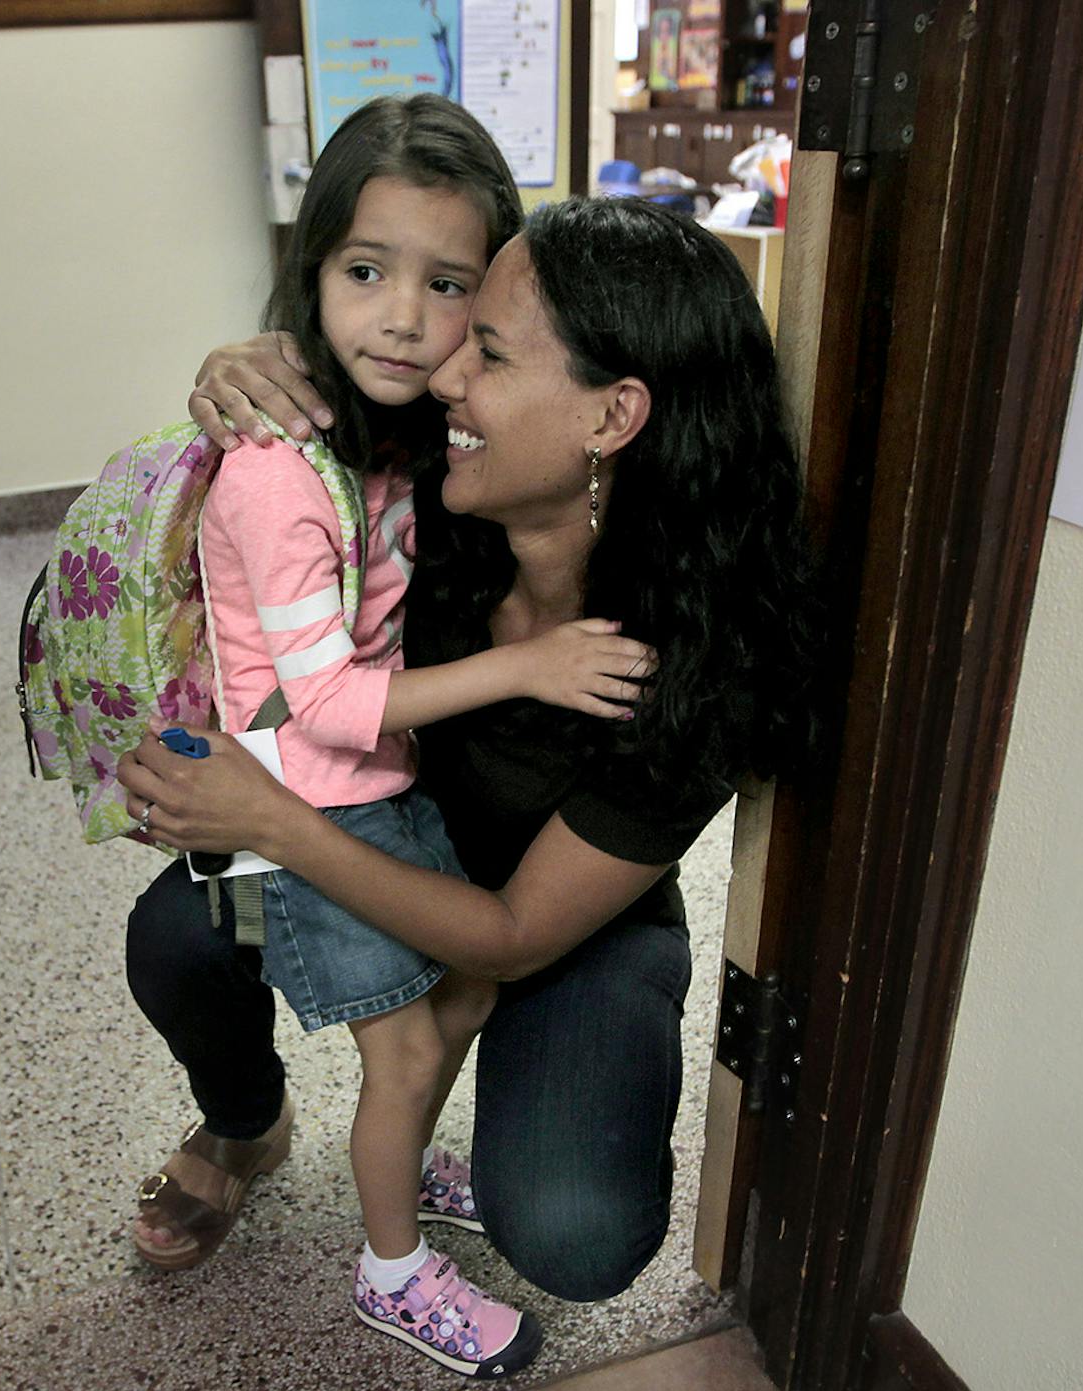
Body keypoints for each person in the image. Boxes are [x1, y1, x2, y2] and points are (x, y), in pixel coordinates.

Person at [121, 194, 821, 1317]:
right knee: (176, 934)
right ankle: (248, 1120)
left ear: (613, 415)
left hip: (560, 918)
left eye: (487, 352)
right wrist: (243, 370)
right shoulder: (431, 499)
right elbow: (309, 418)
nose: (447, 374)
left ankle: (498, 1125)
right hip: (387, 835)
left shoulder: (705, 660)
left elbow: (510, 934)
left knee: (576, 1232)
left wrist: (269, 822)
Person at [127, 97, 659, 1380]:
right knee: (402, 1038)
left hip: (409, 800)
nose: (407, 320)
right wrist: (530, 664)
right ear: (313, 273)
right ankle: (389, 1270)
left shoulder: (429, 438)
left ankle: (401, 1155)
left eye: (449, 289)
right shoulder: (284, 466)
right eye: (365, 273)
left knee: (454, 1004)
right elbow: (323, 703)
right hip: (321, 795)